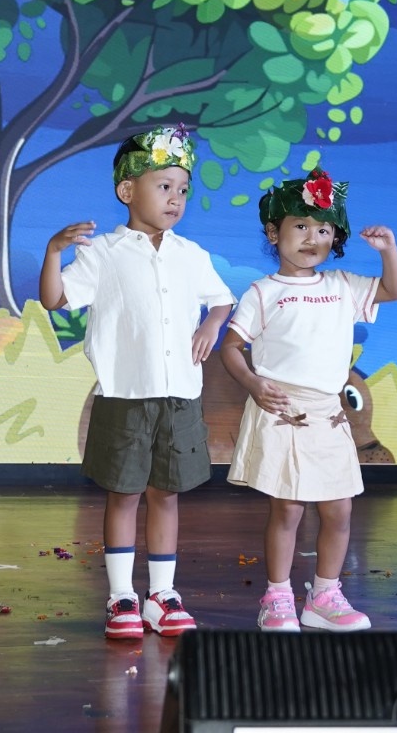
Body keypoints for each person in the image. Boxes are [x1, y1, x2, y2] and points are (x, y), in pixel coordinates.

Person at [39, 125, 235, 639]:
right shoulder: (104, 252)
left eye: (183, 190)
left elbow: (222, 300)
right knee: (124, 494)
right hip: (125, 394)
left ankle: (162, 595)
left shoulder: (191, 254)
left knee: (166, 493)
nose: (175, 199)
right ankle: (121, 594)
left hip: (179, 395)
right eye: (163, 186)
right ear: (127, 190)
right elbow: (56, 299)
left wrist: (211, 326)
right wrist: (54, 252)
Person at [221, 168, 397, 632]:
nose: (312, 238)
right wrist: (253, 383)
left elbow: (395, 290)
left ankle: (324, 596)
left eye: (323, 229)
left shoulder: (342, 285)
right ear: (273, 233)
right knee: (288, 508)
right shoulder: (263, 292)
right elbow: (232, 347)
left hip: (328, 414)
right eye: (300, 226)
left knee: (339, 509)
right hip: (282, 409)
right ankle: (278, 597)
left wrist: (388, 250)